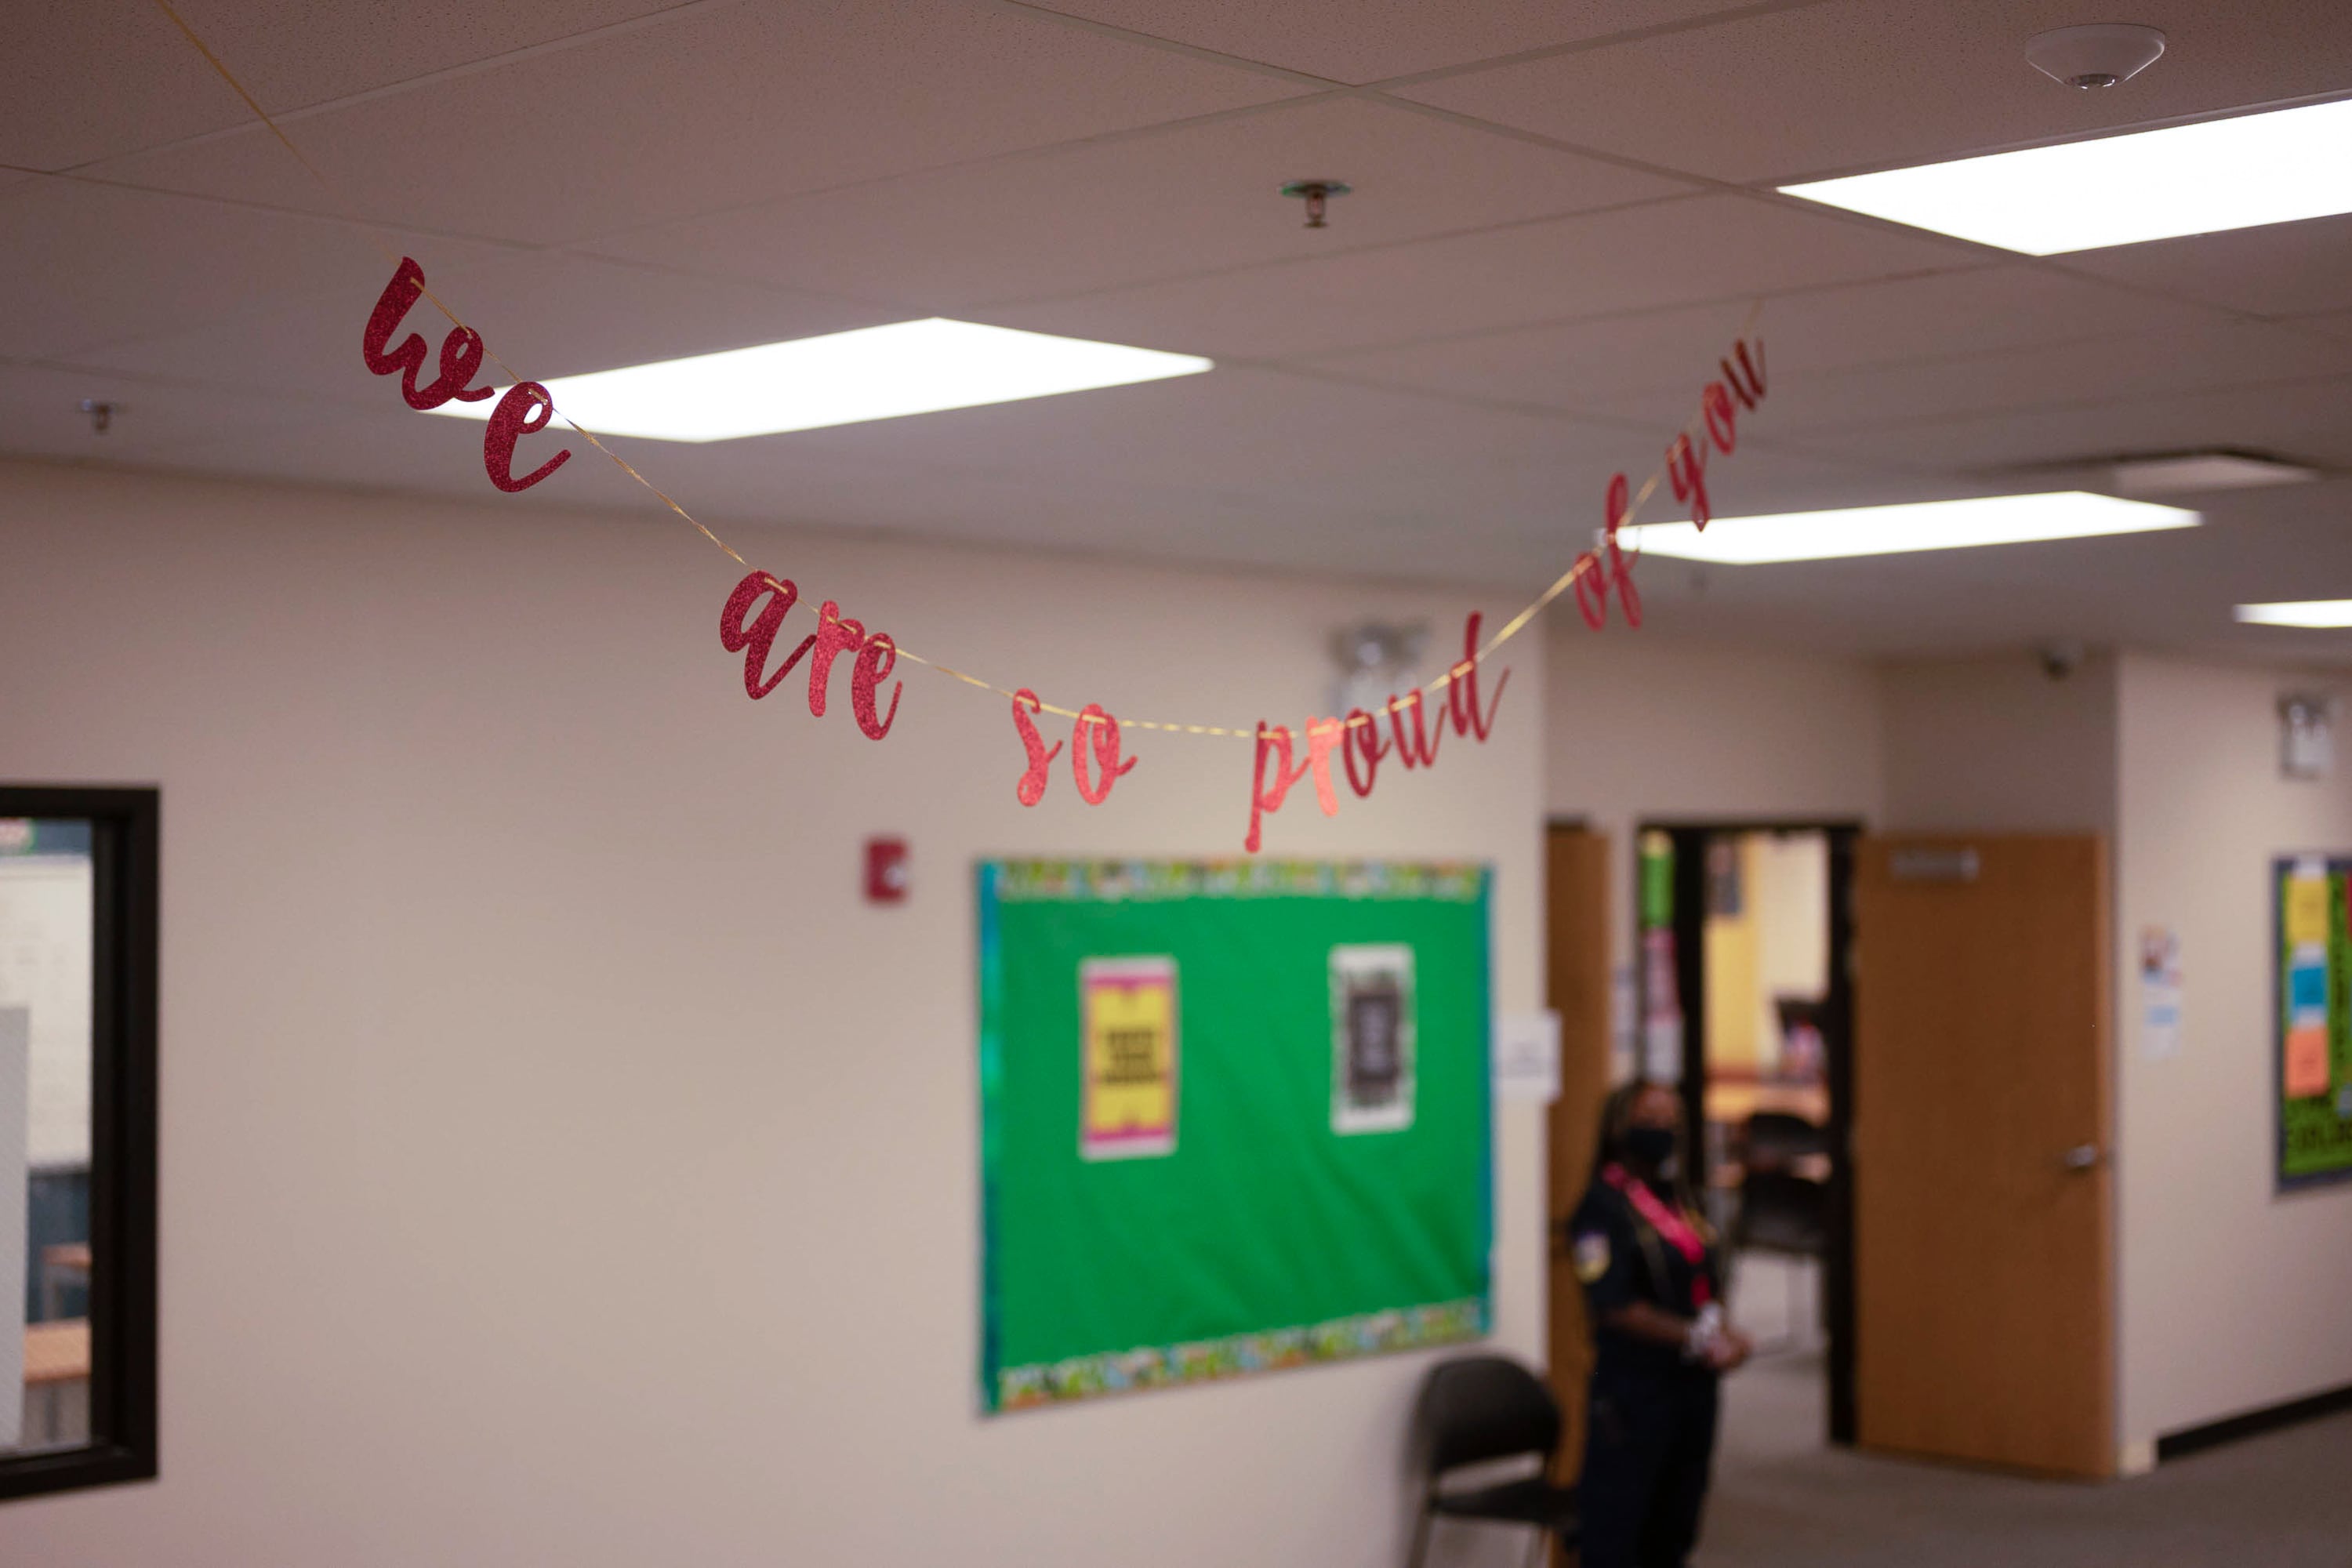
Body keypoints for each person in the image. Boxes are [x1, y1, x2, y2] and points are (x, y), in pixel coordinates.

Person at [1566, 1079, 1752, 1568]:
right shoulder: (1600, 1208)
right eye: (1650, 1121)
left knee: (1676, 1525)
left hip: (1692, 1386)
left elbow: (1702, 1279)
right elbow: (1613, 1304)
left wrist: (1724, 1332)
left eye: (1672, 1121)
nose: (1663, 1130)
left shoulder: (1678, 1199)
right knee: (1619, 1530)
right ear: (1619, 1128)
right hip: (1633, 1393)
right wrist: (1694, 1336)